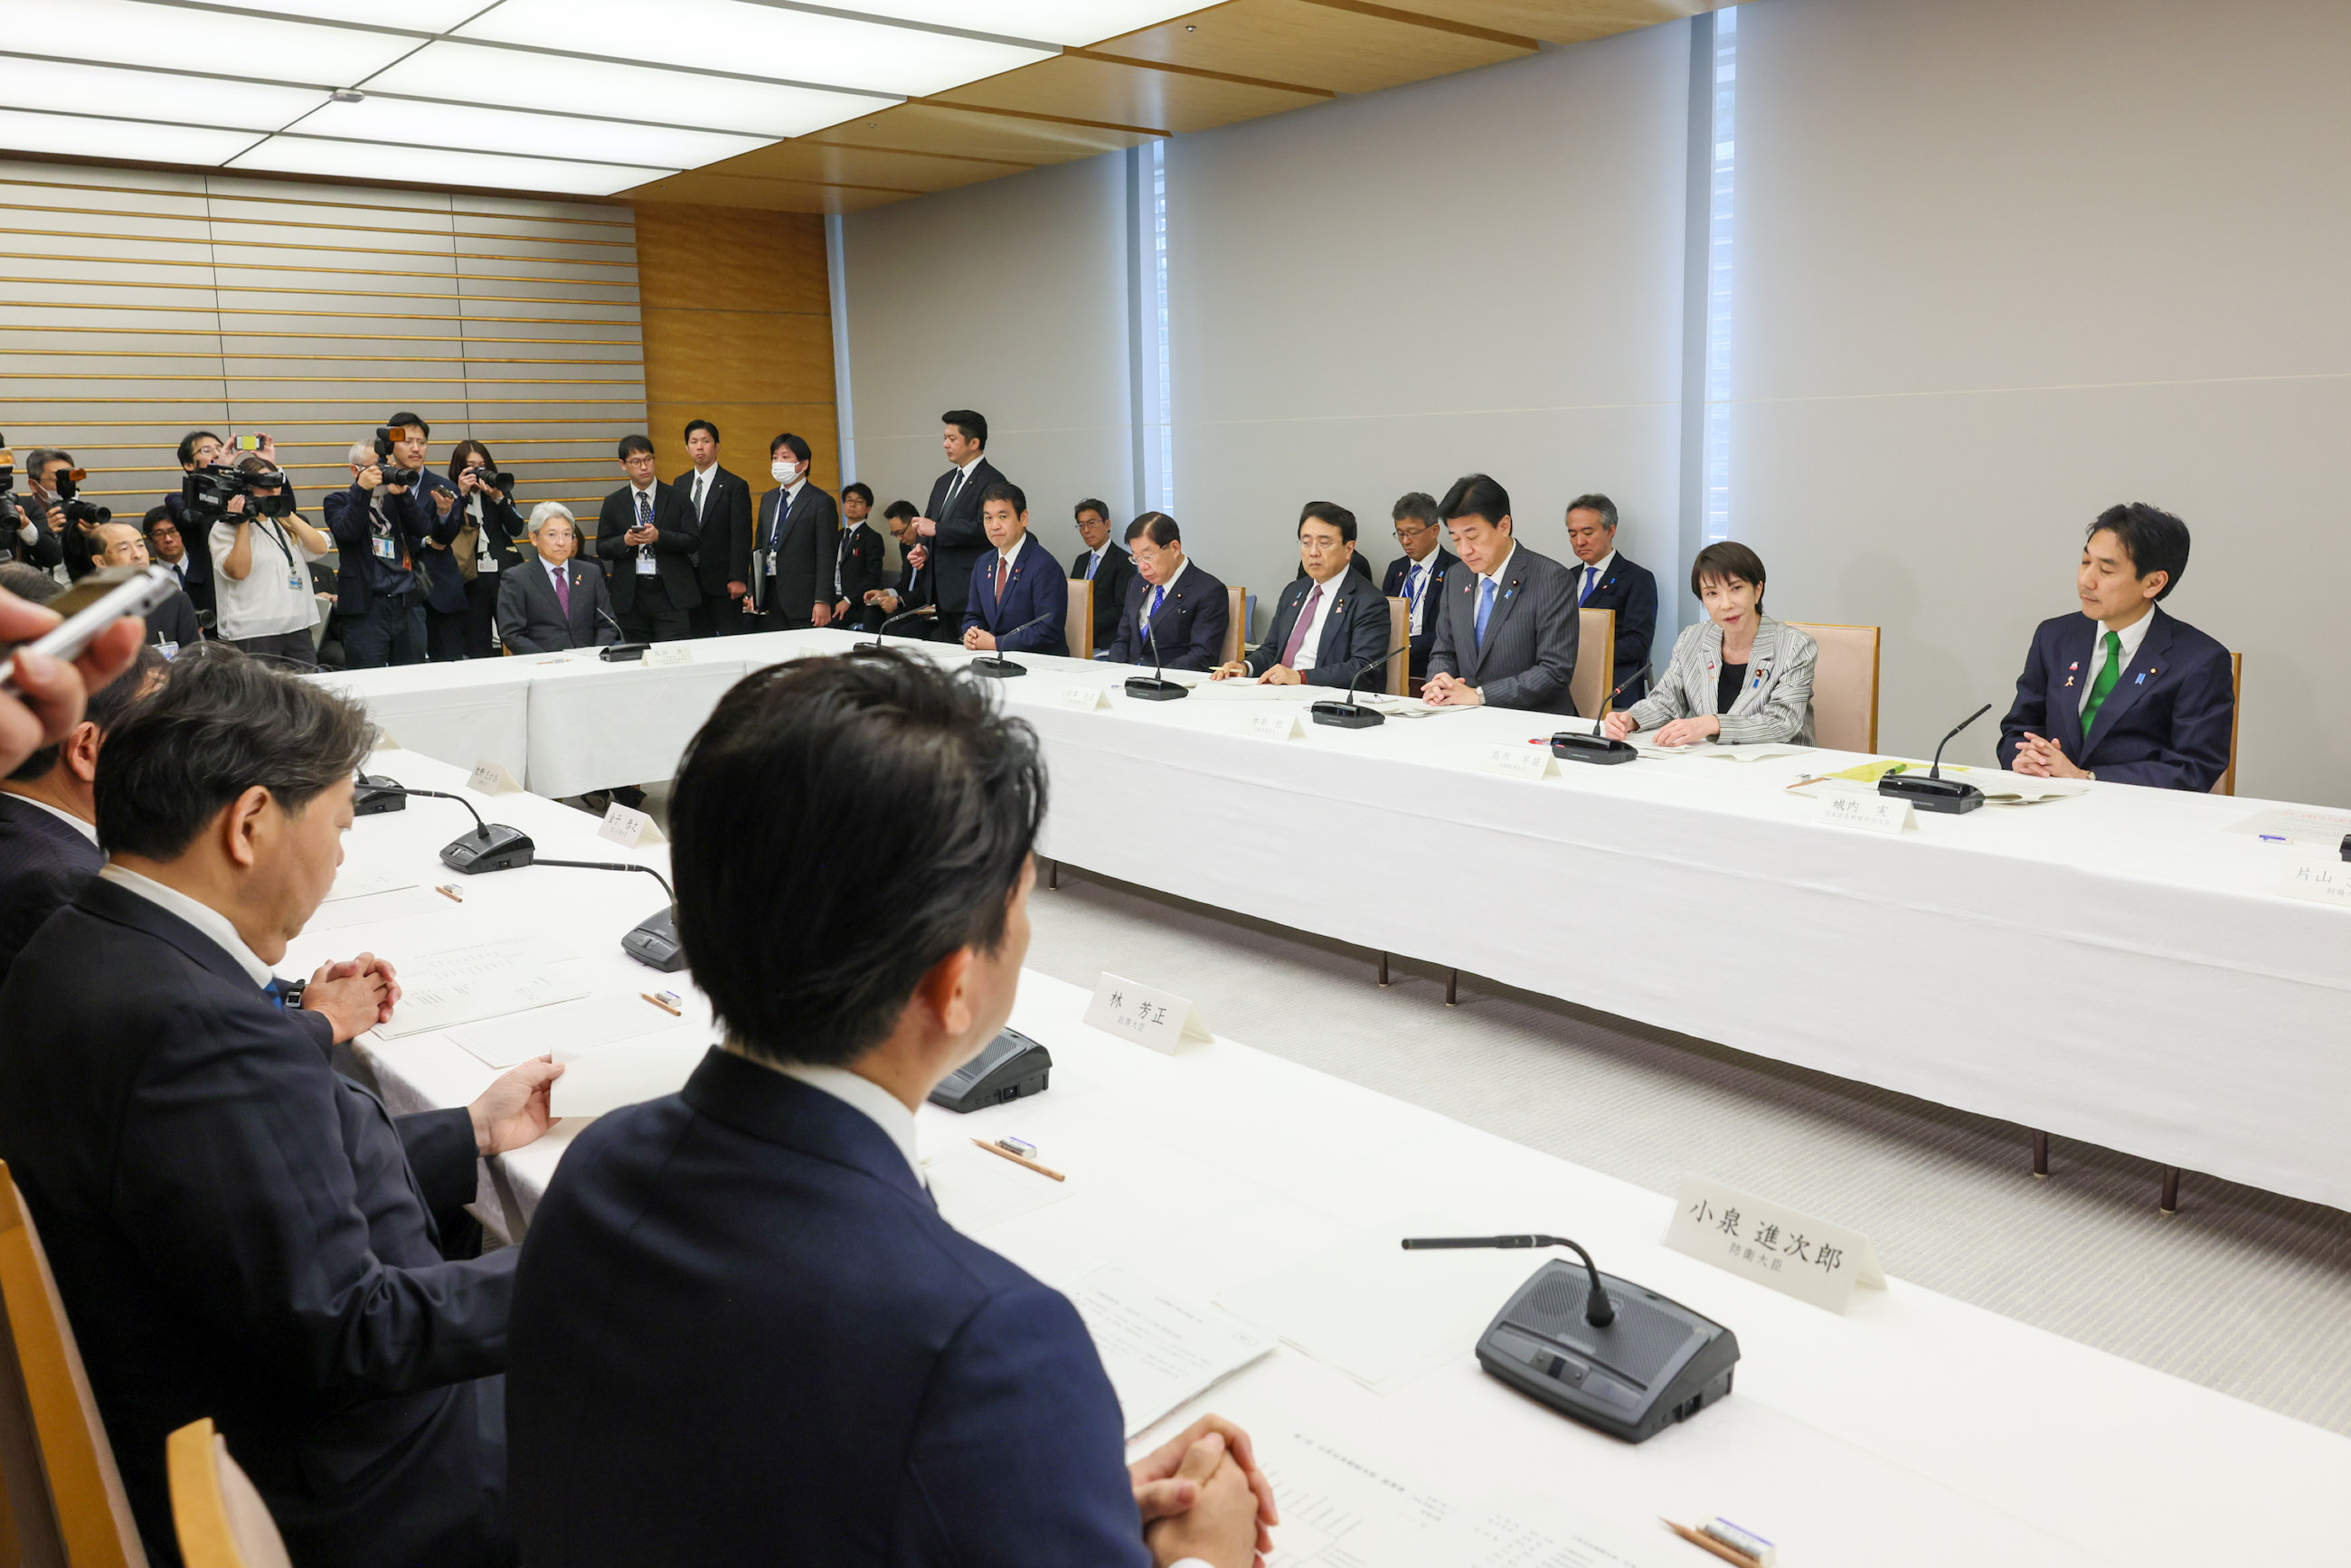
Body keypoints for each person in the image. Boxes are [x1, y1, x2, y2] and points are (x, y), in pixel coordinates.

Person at [508, 649, 1277, 1568]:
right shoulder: (989, 1345)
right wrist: (1207, 1557)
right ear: (956, 983)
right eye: (1021, 899)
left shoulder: (601, 1165)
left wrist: (1046, 1495)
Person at [0, 649, 563, 1568]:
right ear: (251, 822)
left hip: (240, 1412)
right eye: (339, 824)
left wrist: (464, 1133)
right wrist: (597, 1260)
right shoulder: (196, 1027)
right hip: (364, 1483)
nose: (341, 855)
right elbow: (357, 1329)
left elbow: (231, 1196)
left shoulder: (78, 946)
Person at [1996, 503, 2233, 790]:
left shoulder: (2199, 660)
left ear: (2153, 583)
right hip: (2047, 808)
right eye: (2085, 563)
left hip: (2141, 819)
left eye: (2106, 571)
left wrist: (2086, 778)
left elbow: (2193, 768)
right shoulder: (2054, 636)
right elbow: (2019, 728)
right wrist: (2025, 758)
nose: (2086, 580)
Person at [0, 646, 165, 982]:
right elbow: (167, 1014)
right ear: (86, 749)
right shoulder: (67, 883)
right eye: (160, 732)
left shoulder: (29, 835)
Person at [1605, 542, 1815, 747]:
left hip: (1781, 767)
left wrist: (1714, 724)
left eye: (1736, 588)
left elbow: (1783, 722)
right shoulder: (1692, 639)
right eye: (1712, 594)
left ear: (1757, 590)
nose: (1726, 604)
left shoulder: (1795, 646)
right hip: (1712, 764)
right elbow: (1666, 701)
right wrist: (1631, 719)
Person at [1421, 475, 1580, 713]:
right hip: (1464, 718)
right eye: (1456, 539)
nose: (1465, 550)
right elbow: (1444, 650)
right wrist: (1438, 682)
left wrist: (1479, 696)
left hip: (1532, 721)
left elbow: (1553, 671)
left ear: (1504, 526)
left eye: (1473, 537)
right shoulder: (1456, 577)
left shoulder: (1550, 578)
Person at [1215, 503, 1390, 688]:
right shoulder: (1293, 591)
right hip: (1278, 693)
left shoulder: (1368, 601)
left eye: (1324, 543)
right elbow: (1271, 650)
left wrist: (1301, 677)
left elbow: (1363, 668)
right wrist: (1245, 667)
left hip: (1325, 702)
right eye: (1306, 543)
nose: (1313, 552)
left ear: (1349, 549)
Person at [209, 452, 331, 668]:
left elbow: (320, 547)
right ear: (245, 489)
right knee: (259, 699)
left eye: (276, 485)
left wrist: (284, 511)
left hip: (297, 629)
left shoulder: (284, 524)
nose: (272, 491)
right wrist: (243, 521)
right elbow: (239, 571)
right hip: (253, 635)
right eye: (265, 486)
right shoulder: (224, 528)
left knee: (304, 696)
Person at [323, 439, 434, 668]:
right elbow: (348, 532)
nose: (384, 473)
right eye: (376, 467)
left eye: (387, 467)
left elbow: (424, 528)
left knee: (413, 678)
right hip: (366, 609)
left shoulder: (396, 502)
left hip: (407, 605)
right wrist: (361, 491)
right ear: (356, 470)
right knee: (367, 679)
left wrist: (403, 496)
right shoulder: (338, 501)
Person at [381, 413, 472, 662]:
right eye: (408, 441)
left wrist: (443, 513)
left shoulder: (445, 487)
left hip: (439, 589)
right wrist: (427, 539)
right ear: (391, 445)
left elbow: (445, 537)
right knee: (407, 670)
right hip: (396, 591)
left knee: (449, 667)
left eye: (421, 442)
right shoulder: (379, 485)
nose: (416, 448)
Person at [911, 409, 1007, 643]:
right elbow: (929, 522)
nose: (945, 444)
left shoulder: (993, 481)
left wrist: (937, 530)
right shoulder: (943, 481)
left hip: (970, 588)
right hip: (940, 589)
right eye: (945, 438)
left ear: (974, 442)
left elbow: (987, 528)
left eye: (952, 439)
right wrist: (922, 548)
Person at [595, 434, 700, 643]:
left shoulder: (677, 497)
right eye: (636, 462)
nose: (644, 467)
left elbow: (693, 540)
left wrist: (659, 536)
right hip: (632, 596)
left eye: (648, 459)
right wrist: (624, 541)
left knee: (673, 657)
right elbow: (602, 547)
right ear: (623, 465)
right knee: (637, 658)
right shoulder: (614, 502)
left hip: (670, 594)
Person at [1562, 493, 1658, 707]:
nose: (1580, 541)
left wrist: (1583, 652)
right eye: (1572, 534)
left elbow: (1638, 643)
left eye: (1588, 532)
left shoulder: (1637, 578)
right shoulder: (1564, 578)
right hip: (1564, 689)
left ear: (1610, 530)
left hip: (1613, 691)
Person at [1103, 513, 1230, 672]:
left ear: (1174, 548)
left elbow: (1201, 656)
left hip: (1175, 685)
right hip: (1130, 681)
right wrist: (1110, 673)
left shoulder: (1208, 591)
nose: (1142, 566)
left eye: (1148, 557)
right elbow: (1122, 640)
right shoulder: (1137, 584)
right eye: (1136, 558)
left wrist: (1155, 678)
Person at [741, 433, 836, 630]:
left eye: (785, 457)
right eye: (775, 458)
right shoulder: (768, 499)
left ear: (804, 464)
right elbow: (759, 549)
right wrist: (753, 591)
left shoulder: (821, 502)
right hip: (771, 594)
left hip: (804, 598)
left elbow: (826, 555)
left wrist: (822, 600)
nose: (778, 463)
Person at [960, 483, 1066, 656]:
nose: (994, 526)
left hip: (1039, 663)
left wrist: (996, 643)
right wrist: (972, 634)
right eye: (988, 518)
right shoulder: (982, 563)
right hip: (993, 659)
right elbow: (973, 615)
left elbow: (1048, 630)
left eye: (1002, 517)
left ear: (1023, 518)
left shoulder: (1045, 566)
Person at [497, 505, 617, 654]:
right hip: (543, 667)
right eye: (552, 535)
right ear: (534, 538)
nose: (561, 542)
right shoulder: (517, 578)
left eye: (567, 535)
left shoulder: (590, 573)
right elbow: (512, 634)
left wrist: (597, 655)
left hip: (589, 664)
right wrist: (547, 661)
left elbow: (607, 623)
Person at [447, 440, 527, 659]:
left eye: (482, 465)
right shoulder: (450, 494)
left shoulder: (498, 490)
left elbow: (517, 527)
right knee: (477, 642)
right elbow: (446, 530)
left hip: (503, 573)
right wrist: (461, 495)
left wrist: (498, 498)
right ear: (459, 468)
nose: (478, 471)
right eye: (471, 466)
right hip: (470, 576)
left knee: (515, 633)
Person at [675, 420, 752, 638]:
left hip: (723, 581)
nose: (700, 447)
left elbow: (742, 535)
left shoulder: (734, 485)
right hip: (689, 580)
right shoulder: (680, 484)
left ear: (717, 446)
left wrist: (738, 577)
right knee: (697, 639)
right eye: (694, 442)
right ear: (687, 448)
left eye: (706, 441)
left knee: (730, 639)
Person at [91, 522, 200, 653]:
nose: (137, 554)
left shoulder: (174, 600)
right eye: (124, 549)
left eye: (140, 545)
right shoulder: (91, 610)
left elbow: (193, 663)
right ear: (100, 562)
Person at [1382, 492, 1456, 682]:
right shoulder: (1396, 569)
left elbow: (1452, 632)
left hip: (1431, 669)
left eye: (1413, 533)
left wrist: (1408, 644)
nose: (1405, 541)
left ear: (1434, 531)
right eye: (1400, 534)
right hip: (1390, 664)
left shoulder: (1455, 571)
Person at [158, 430, 220, 620]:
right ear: (188, 464)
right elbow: (190, 517)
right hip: (207, 590)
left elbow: (286, 509)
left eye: (220, 449)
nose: (217, 454)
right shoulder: (178, 499)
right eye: (207, 450)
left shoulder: (242, 494)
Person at [25, 449, 107, 581]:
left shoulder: (85, 512)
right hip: (37, 593)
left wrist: (97, 538)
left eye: (72, 478)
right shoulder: (21, 514)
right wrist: (43, 536)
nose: (68, 485)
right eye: (59, 479)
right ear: (34, 485)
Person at [1068, 496, 1134, 653]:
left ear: (1107, 524)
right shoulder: (1081, 561)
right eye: (1081, 525)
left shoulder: (1123, 561)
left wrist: (1087, 623)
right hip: (1076, 641)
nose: (1086, 530)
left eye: (1091, 523)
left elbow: (1122, 608)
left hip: (1107, 644)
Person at [864, 500, 934, 630]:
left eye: (900, 532)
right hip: (907, 602)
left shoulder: (930, 546)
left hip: (923, 606)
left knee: (894, 624)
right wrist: (885, 593)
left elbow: (928, 587)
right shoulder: (905, 546)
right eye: (894, 534)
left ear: (914, 523)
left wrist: (899, 601)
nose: (899, 538)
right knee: (871, 613)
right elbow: (905, 583)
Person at [833, 481, 885, 632]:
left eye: (859, 502)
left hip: (855, 603)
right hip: (833, 598)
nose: (852, 505)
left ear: (868, 508)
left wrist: (848, 600)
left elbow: (873, 577)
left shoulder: (872, 538)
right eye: (849, 500)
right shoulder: (836, 536)